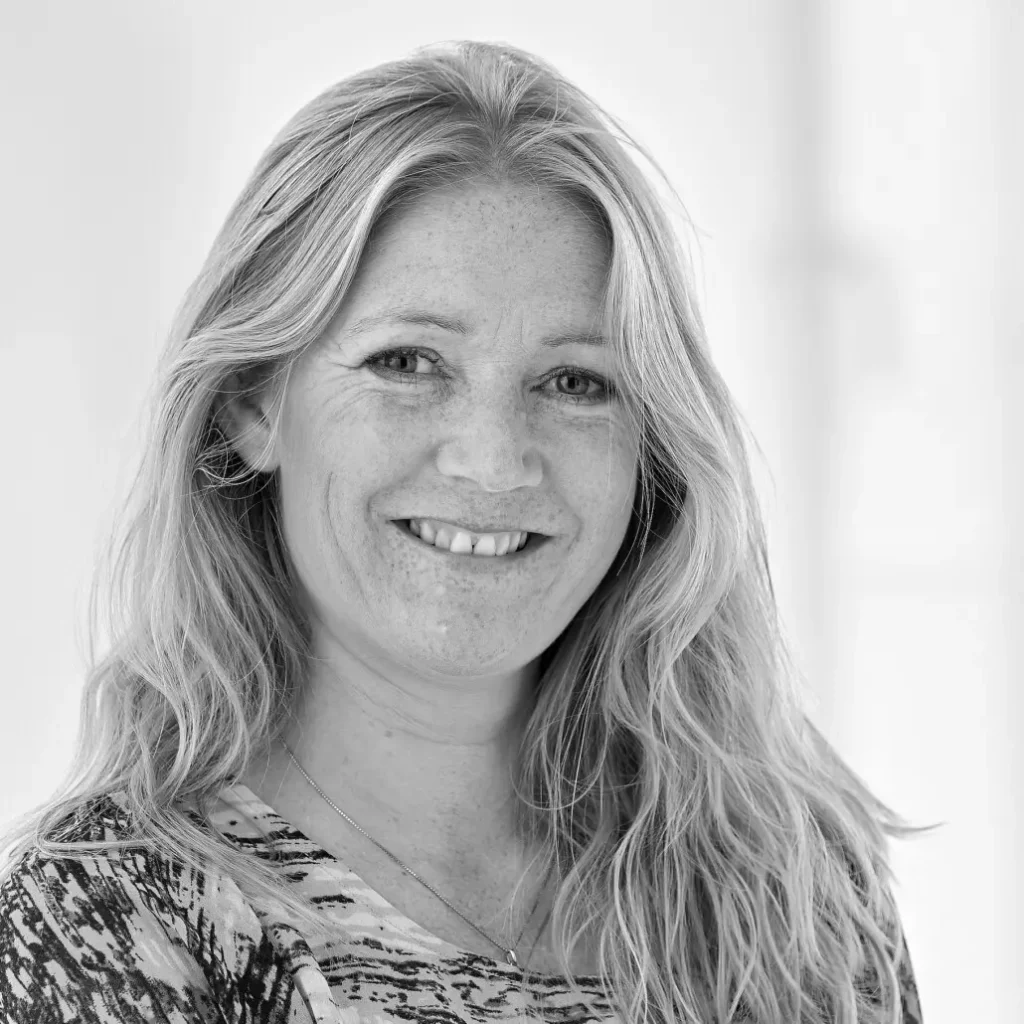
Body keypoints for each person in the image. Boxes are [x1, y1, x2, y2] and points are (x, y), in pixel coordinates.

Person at [0, 39, 935, 1024]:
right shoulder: (107, 917)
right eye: (408, 362)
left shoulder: (792, 889)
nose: (494, 461)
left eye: (573, 381)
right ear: (251, 404)